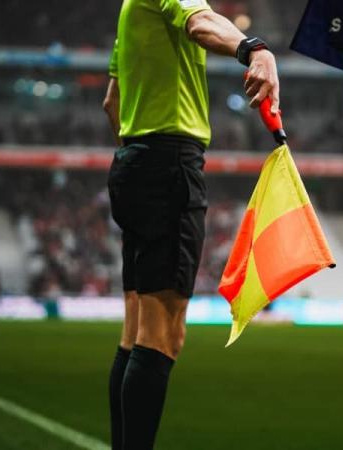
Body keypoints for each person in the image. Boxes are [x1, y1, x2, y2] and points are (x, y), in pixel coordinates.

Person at [101, 1, 280, 449]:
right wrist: (254, 49)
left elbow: (112, 102)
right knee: (163, 334)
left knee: (136, 332)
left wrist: (140, 156)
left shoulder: (129, 12)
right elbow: (200, 23)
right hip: (168, 163)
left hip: (134, 161)